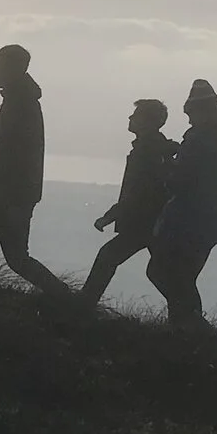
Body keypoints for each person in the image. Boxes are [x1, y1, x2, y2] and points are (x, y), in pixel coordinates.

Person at [0, 43, 72, 298]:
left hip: (9, 192)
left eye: (2, 67)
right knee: (14, 257)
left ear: (16, 68)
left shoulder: (20, 103)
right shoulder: (22, 99)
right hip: (16, 192)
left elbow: (15, 152)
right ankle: (63, 296)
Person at [147, 79, 217, 324]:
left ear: (202, 113)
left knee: (163, 273)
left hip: (187, 221)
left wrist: (165, 164)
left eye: (191, 113)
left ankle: (193, 327)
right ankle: (187, 330)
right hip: (211, 221)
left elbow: (179, 182)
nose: (188, 119)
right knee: (183, 278)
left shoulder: (198, 141)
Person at [80, 98, 177, 304]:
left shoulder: (146, 152)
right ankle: (187, 316)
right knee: (163, 274)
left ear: (147, 121)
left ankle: (83, 305)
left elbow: (136, 192)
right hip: (153, 222)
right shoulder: (155, 150)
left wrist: (109, 217)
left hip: (143, 222)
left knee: (108, 257)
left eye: (136, 115)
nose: (130, 118)